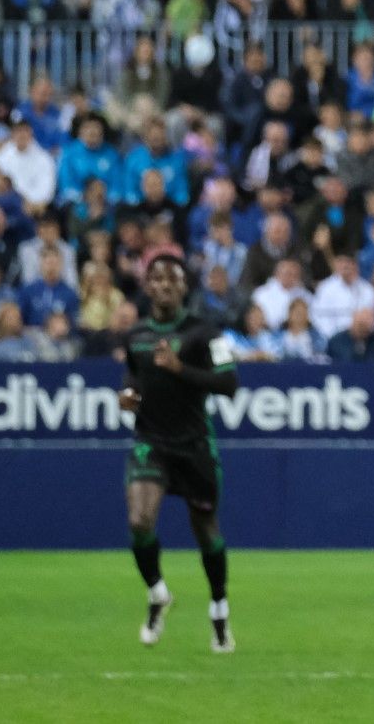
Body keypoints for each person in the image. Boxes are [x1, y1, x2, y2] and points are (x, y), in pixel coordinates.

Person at [119, 255, 240, 654]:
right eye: (156, 278)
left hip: (194, 446)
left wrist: (179, 370)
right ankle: (157, 594)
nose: (165, 284)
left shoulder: (205, 333)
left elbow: (229, 384)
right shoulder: (135, 334)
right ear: (148, 287)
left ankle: (219, 609)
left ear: (184, 286)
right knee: (140, 519)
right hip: (151, 441)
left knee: (206, 532)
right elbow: (134, 378)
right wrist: (129, 396)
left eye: (172, 278)